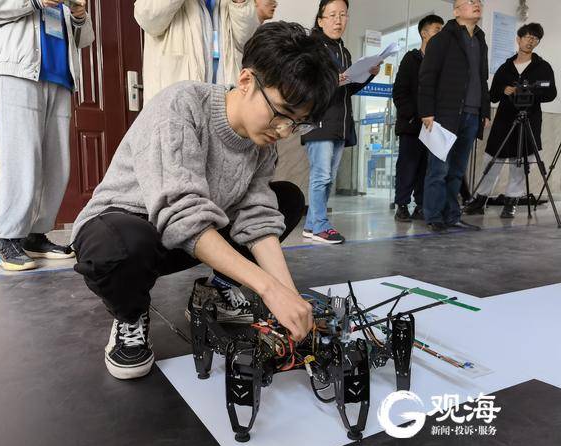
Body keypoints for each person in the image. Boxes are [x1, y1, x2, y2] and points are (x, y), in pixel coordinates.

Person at [69, 22, 339, 380]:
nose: (285, 130)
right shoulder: (181, 105)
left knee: (286, 199)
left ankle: (217, 290)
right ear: (246, 81)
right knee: (122, 245)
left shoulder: (262, 142)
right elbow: (180, 213)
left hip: (187, 236)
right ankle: (130, 314)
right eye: (281, 113)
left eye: (298, 123)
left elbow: (257, 216)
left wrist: (290, 296)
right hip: (130, 227)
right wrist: (268, 288)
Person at [0, 0, 94, 271]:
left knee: (56, 164)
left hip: (60, 76)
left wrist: (79, 15)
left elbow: (85, 39)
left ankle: (36, 235)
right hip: (18, 68)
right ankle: (8, 238)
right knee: (21, 156)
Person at [300, 0, 380, 244]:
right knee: (321, 176)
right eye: (332, 15)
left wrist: (368, 75)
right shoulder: (312, 48)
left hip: (339, 122)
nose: (338, 20)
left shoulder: (343, 51)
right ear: (320, 20)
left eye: (343, 15)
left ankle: (312, 225)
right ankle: (320, 226)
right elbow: (306, 84)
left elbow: (348, 88)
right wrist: (335, 79)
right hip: (319, 120)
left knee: (328, 178)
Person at [465, 23, 557, 218]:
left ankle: (511, 203)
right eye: (527, 37)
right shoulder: (505, 67)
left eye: (535, 39)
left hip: (529, 120)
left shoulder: (543, 67)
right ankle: (480, 200)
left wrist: (531, 91)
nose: (531, 41)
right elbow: (492, 95)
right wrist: (504, 90)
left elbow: (551, 93)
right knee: (492, 159)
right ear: (518, 39)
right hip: (504, 120)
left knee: (521, 163)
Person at [418, 0, 490, 233]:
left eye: (478, 1)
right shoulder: (442, 39)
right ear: (456, 10)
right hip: (445, 115)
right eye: (470, 1)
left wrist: (485, 110)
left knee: (457, 171)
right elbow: (427, 76)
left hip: (472, 114)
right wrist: (426, 111)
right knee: (438, 170)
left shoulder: (480, 39)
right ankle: (434, 216)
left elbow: (482, 78)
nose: (476, 4)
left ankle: (452, 216)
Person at [134, 0, 259, 104]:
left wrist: (240, 3)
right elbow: (147, 18)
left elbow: (246, 41)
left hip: (224, 95)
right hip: (176, 100)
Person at [392, 14, 444, 222]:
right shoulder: (410, 59)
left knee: (426, 168)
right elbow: (399, 92)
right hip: (412, 125)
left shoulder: (441, 63)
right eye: (437, 30)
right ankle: (402, 206)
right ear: (424, 33)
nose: (441, 34)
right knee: (407, 167)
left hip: (433, 127)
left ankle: (421, 205)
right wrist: (415, 116)